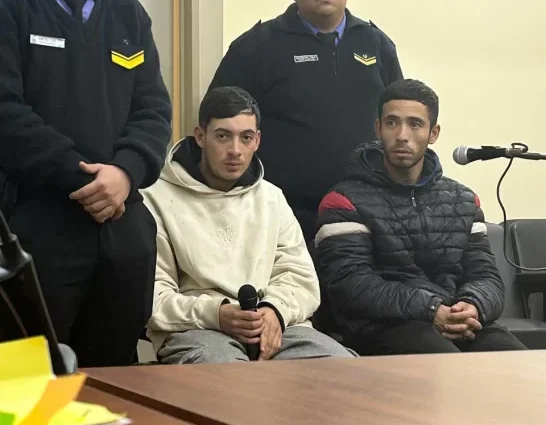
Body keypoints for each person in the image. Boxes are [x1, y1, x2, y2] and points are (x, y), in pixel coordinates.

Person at [0, 0, 172, 366]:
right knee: (30, 377)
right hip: (37, 225)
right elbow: (6, 112)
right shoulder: (13, 9)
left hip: (123, 226)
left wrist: (125, 172)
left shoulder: (128, 13)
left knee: (115, 380)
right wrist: (86, 178)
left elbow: (154, 110)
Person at [142, 86, 354, 364]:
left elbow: (300, 279)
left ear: (257, 140)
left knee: (342, 369)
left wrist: (275, 311)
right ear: (200, 136)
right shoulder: (155, 198)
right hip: (197, 330)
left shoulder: (271, 198)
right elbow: (151, 297)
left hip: (278, 327)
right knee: (229, 379)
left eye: (246, 138)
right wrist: (216, 314)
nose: (235, 151)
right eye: (223, 136)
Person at [314, 79, 527, 355]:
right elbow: (351, 285)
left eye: (415, 124)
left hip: (456, 318)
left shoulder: (464, 200)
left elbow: (486, 276)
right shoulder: (343, 200)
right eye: (392, 123)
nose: (402, 135)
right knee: (447, 366)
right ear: (378, 128)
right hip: (380, 326)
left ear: (433, 133)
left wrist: (473, 306)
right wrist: (431, 310)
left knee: (521, 366)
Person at [208, 0, 403, 242]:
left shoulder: (376, 44)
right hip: (282, 220)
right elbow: (219, 128)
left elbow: (399, 121)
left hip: (366, 216)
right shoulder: (255, 48)